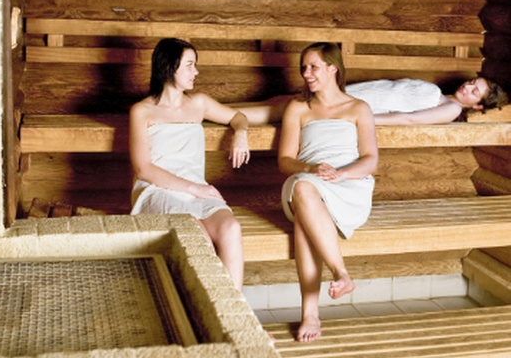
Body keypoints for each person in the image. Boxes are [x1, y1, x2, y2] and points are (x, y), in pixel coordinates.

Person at [130, 38, 250, 289]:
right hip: (157, 189)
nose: (195, 72)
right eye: (189, 65)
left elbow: (238, 117)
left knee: (230, 227)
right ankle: (205, 310)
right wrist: (195, 189)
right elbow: (143, 169)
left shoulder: (199, 103)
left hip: (197, 188)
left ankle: (235, 309)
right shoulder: (142, 111)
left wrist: (240, 133)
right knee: (197, 235)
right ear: (168, 66)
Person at [278, 43, 378, 342]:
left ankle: (310, 314)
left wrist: (341, 174)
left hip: (349, 186)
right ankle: (340, 273)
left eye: (314, 67)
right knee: (303, 189)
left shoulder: (358, 108)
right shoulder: (298, 108)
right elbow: (285, 160)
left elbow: (370, 160)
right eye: (304, 67)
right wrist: (310, 168)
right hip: (307, 179)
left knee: (304, 218)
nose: (306, 73)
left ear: (333, 68)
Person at [239, 76, 507, 125]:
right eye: (472, 82)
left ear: (478, 106)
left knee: (287, 109)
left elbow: (409, 119)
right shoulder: (440, 93)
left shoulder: (451, 109)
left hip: (365, 105)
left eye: (475, 92)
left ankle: (224, 115)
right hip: (366, 90)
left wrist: (363, 119)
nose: (467, 87)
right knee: (285, 100)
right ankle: (227, 111)